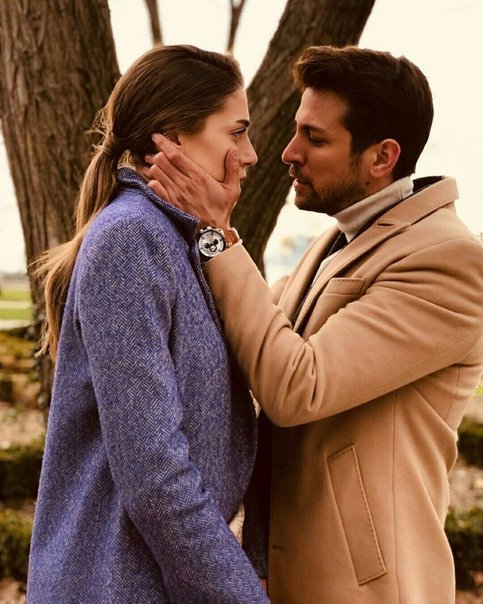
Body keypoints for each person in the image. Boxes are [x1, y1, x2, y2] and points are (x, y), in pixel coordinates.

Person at [145, 45, 483, 603]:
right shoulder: (336, 238)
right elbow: (252, 341)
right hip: (286, 576)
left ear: (382, 157)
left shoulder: (449, 261)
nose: (288, 152)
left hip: (368, 590)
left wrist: (216, 234)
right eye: (297, 130)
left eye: (316, 139)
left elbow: (296, 386)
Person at [27, 44, 270, 603]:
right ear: (172, 137)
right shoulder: (131, 239)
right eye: (236, 133)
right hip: (114, 583)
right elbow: (154, 474)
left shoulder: (181, 240)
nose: (251, 154)